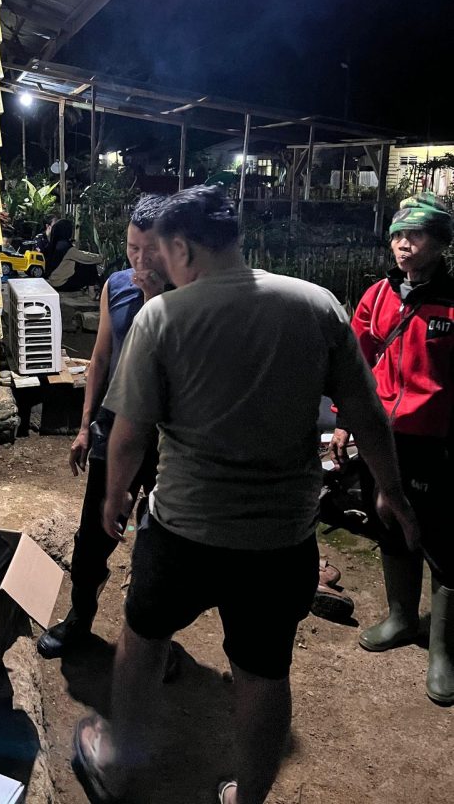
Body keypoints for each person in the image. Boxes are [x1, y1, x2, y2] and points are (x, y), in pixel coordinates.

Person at [71, 186, 418, 804]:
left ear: (182, 248)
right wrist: (391, 492)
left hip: (184, 530)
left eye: (164, 252)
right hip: (280, 539)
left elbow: (129, 432)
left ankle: (120, 767)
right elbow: (367, 413)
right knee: (263, 671)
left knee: (142, 640)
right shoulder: (315, 304)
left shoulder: (163, 317)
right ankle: (248, 795)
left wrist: (114, 495)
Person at [330, 191, 454, 706]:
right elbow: (355, 365)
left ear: (440, 242)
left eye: (415, 236)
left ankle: (443, 649)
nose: (403, 245)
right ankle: (402, 616)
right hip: (381, 433)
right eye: (398, 236)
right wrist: (344, 422)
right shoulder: (377, 297)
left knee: (442, 538)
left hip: (437, 440)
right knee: (387, 520)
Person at [38, 195, 168, 660]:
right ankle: (80, 616)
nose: (140, 260)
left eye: (151, 250)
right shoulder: (116, 285)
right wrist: (84, 425)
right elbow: (100, 358)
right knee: (93, 533)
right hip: (114, 426)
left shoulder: (189, 296)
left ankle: (153, 641)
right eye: (133, 248)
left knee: (160, 539)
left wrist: (154, 297)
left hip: (168, 436)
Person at [45, 219, 102, 293]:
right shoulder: (66, 247)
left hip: (53, 281)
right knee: (90, 265)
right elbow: (85, 258)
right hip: (62, 283)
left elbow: (79, 253)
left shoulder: (55, 244)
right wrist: (101, 258)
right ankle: (92, 293)